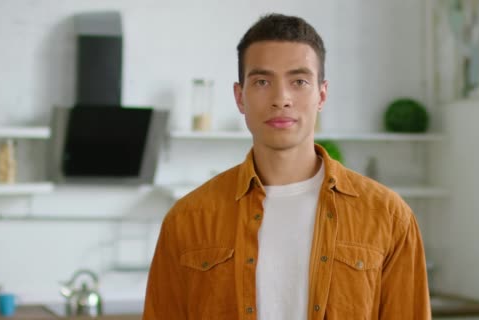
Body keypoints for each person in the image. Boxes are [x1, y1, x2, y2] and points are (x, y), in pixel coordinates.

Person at [143, 13, 431, 320]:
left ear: (321, 94)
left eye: (299, 81)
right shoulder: (187, 220)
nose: (281, 98)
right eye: (263, 81)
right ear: (240, 98)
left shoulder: (388, 216)